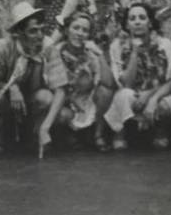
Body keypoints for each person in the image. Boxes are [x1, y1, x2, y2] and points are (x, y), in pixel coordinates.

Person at [105, 3, 171, 150]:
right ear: (127, 25)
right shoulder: (117, 46)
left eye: (142, 18)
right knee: (124, 95)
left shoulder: (165, 44)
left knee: (165, 104)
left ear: (150, 23)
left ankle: (161, 131)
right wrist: (135, 53)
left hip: (159, 92)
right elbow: (126, 83)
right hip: (132, 93)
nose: (137, 22)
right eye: (132, 18)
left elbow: (170, 81)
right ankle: (120, 132)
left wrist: (149, 96)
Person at [40, 12, 117, 153]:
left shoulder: (90, 53)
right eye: (76, 28)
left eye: (85, 30)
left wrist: (99, 54)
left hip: (85, 102)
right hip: (62, 102)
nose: (80, 33)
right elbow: (53, 88)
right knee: (62, 114)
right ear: (66, 30)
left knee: (105, 92)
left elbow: (109, 83)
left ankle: (97, 135)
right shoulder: (56, 52)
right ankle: (64, 136)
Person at [0, 3, 54, 153]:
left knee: (46, 97)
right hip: (5, 95)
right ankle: (0, 129)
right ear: (19, 33)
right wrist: (13, 88)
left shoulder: (47, 46)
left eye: (42, 29)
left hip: (32, 95)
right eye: (33, 31)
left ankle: (32, 131)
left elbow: (53, 84)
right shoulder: (2, 47)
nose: (40, 35)